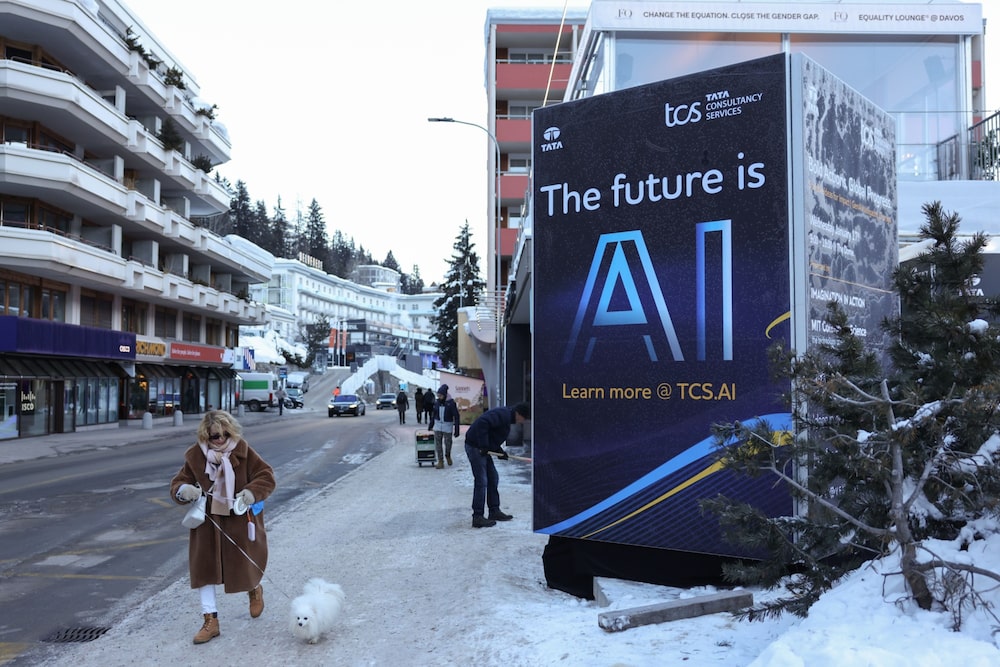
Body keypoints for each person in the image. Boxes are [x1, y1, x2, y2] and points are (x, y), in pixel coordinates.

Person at [170, 410, 276, 644]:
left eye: (223, 434)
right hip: (207, 525)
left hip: (238, 521)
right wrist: (184, 490)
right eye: (213, 436)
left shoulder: (244, 451)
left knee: (245, 564)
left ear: (231, 431)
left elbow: (267, 476)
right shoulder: (195, 456)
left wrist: (250, 492)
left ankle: (254, 589)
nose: (218, 440)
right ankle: (211, 621)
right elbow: (178, 482)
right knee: (204, 571)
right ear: (205, 435)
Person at [463, 402, 530, 528]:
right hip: (474, 446)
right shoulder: (503, 415)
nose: (523, 422)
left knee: (493, 478)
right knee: (481, 481)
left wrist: (500, 452)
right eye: (524, 419)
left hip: (482, 448)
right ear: (518, 414)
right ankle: (477, 516)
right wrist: (483, 445)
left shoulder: (506, 418)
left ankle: (494, 511)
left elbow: (492, 436)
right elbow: (483, 423)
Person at [428, 384, 461, 469]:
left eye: (440, 395)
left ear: (445, 395)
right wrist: (431, 425)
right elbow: (434, 414)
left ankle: (448, 455)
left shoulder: (451, 403)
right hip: (438, 426)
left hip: (447, 426)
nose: (439, 397)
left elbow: (456, 416)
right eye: (438, 395)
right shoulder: (437, 402)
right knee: (438, 444)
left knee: (448, 444)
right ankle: (440, 461)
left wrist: (457, 429)